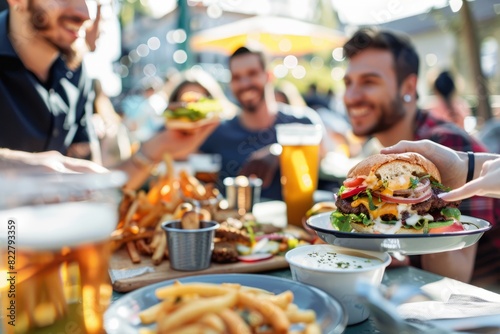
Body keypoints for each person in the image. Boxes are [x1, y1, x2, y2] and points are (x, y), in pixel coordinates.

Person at [0, 0, 217, 190]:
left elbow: (94, 187)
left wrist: (158, 148)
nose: (87, 14)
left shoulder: (77, 72)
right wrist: (13, 167)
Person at [342, 27, 495, 283]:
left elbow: (452, 275)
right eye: (348, 83)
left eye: (369, 82)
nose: (351, 96)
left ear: (409, 86)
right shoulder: (374, 152)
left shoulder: (448, 143)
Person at [199, 46, 329, 200]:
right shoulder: (218, 132)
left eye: (252, 73)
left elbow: (324, 158)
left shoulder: (302, 121)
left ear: (268, 76)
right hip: (236, 221)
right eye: (236, 77)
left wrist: (279, 152)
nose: (244, 83)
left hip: (295, 221)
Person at [382, 140, 500, 289]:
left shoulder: (448, 138)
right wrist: (464, 167)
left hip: (485, 287)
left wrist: (464, 167)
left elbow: (456, 275)